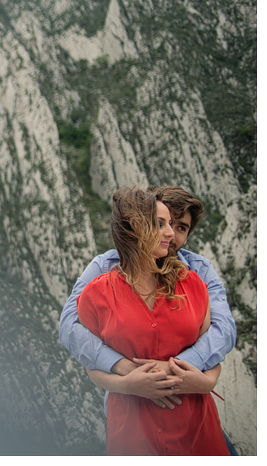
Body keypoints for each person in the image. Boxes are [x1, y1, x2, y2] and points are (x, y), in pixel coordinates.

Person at [75, 187, 229, 455]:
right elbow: (88, 358)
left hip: (195, 432)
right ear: (135, 228)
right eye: (162, 224)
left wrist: (204, 381)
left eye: (177, 226)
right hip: (132, 435)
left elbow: (219, 343)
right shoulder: (96, 291)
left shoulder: (195, 282)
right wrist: (127, 384)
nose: (172, 234)